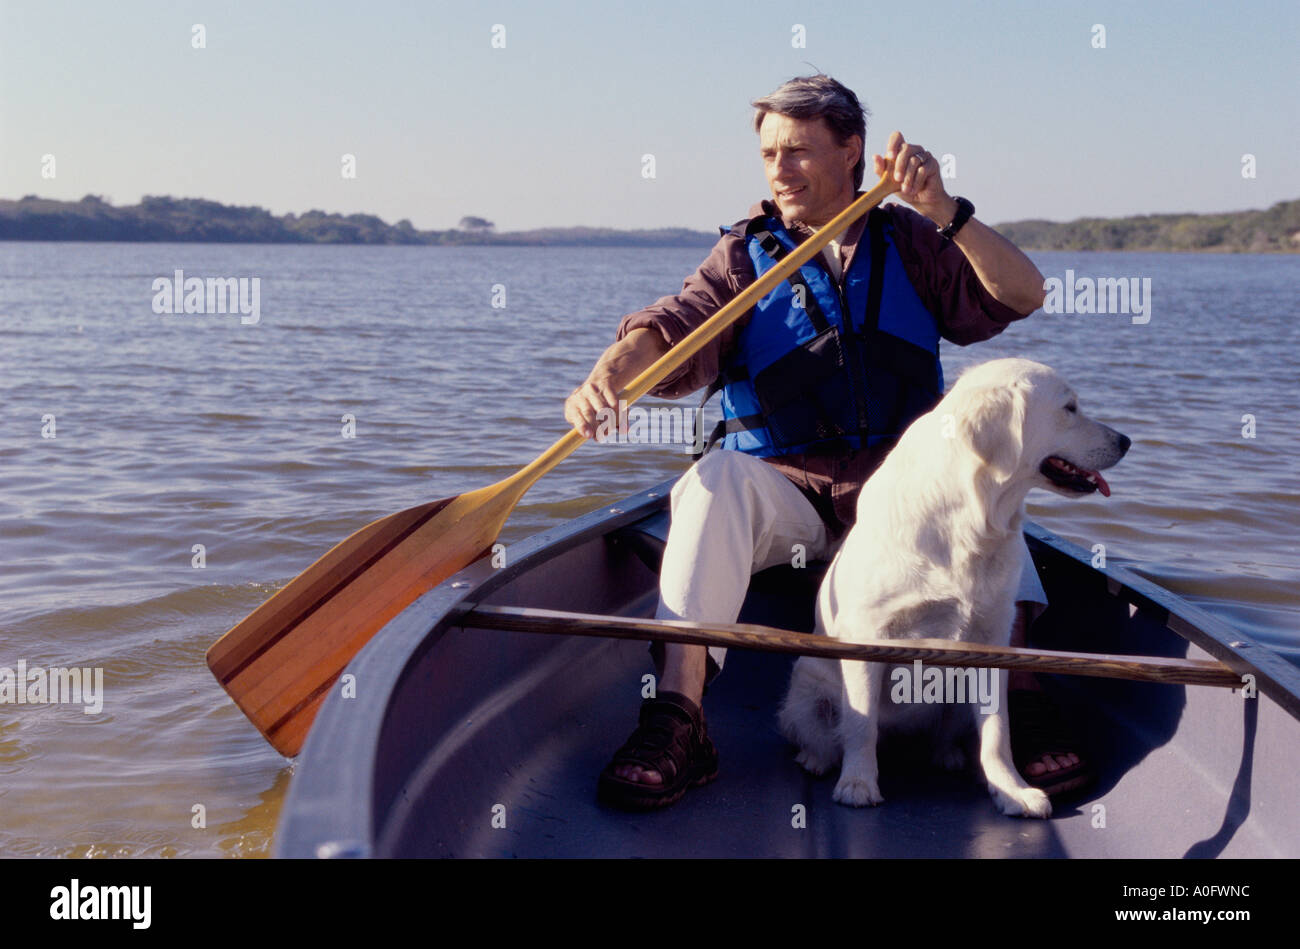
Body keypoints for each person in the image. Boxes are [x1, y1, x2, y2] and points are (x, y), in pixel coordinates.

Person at [564, 75, 1086, 810]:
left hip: (902, 507)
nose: (778, 169)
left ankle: (1019, 697)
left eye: (799, 152)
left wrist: (942, 209)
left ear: (853, 153)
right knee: (712, 480)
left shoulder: (910, 240)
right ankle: (679, 716)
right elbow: (671, 327)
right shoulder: (744, 257)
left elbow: (1023, 293)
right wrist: (608, 374)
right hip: (793, 500)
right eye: (769, 153)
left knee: (992, 492)